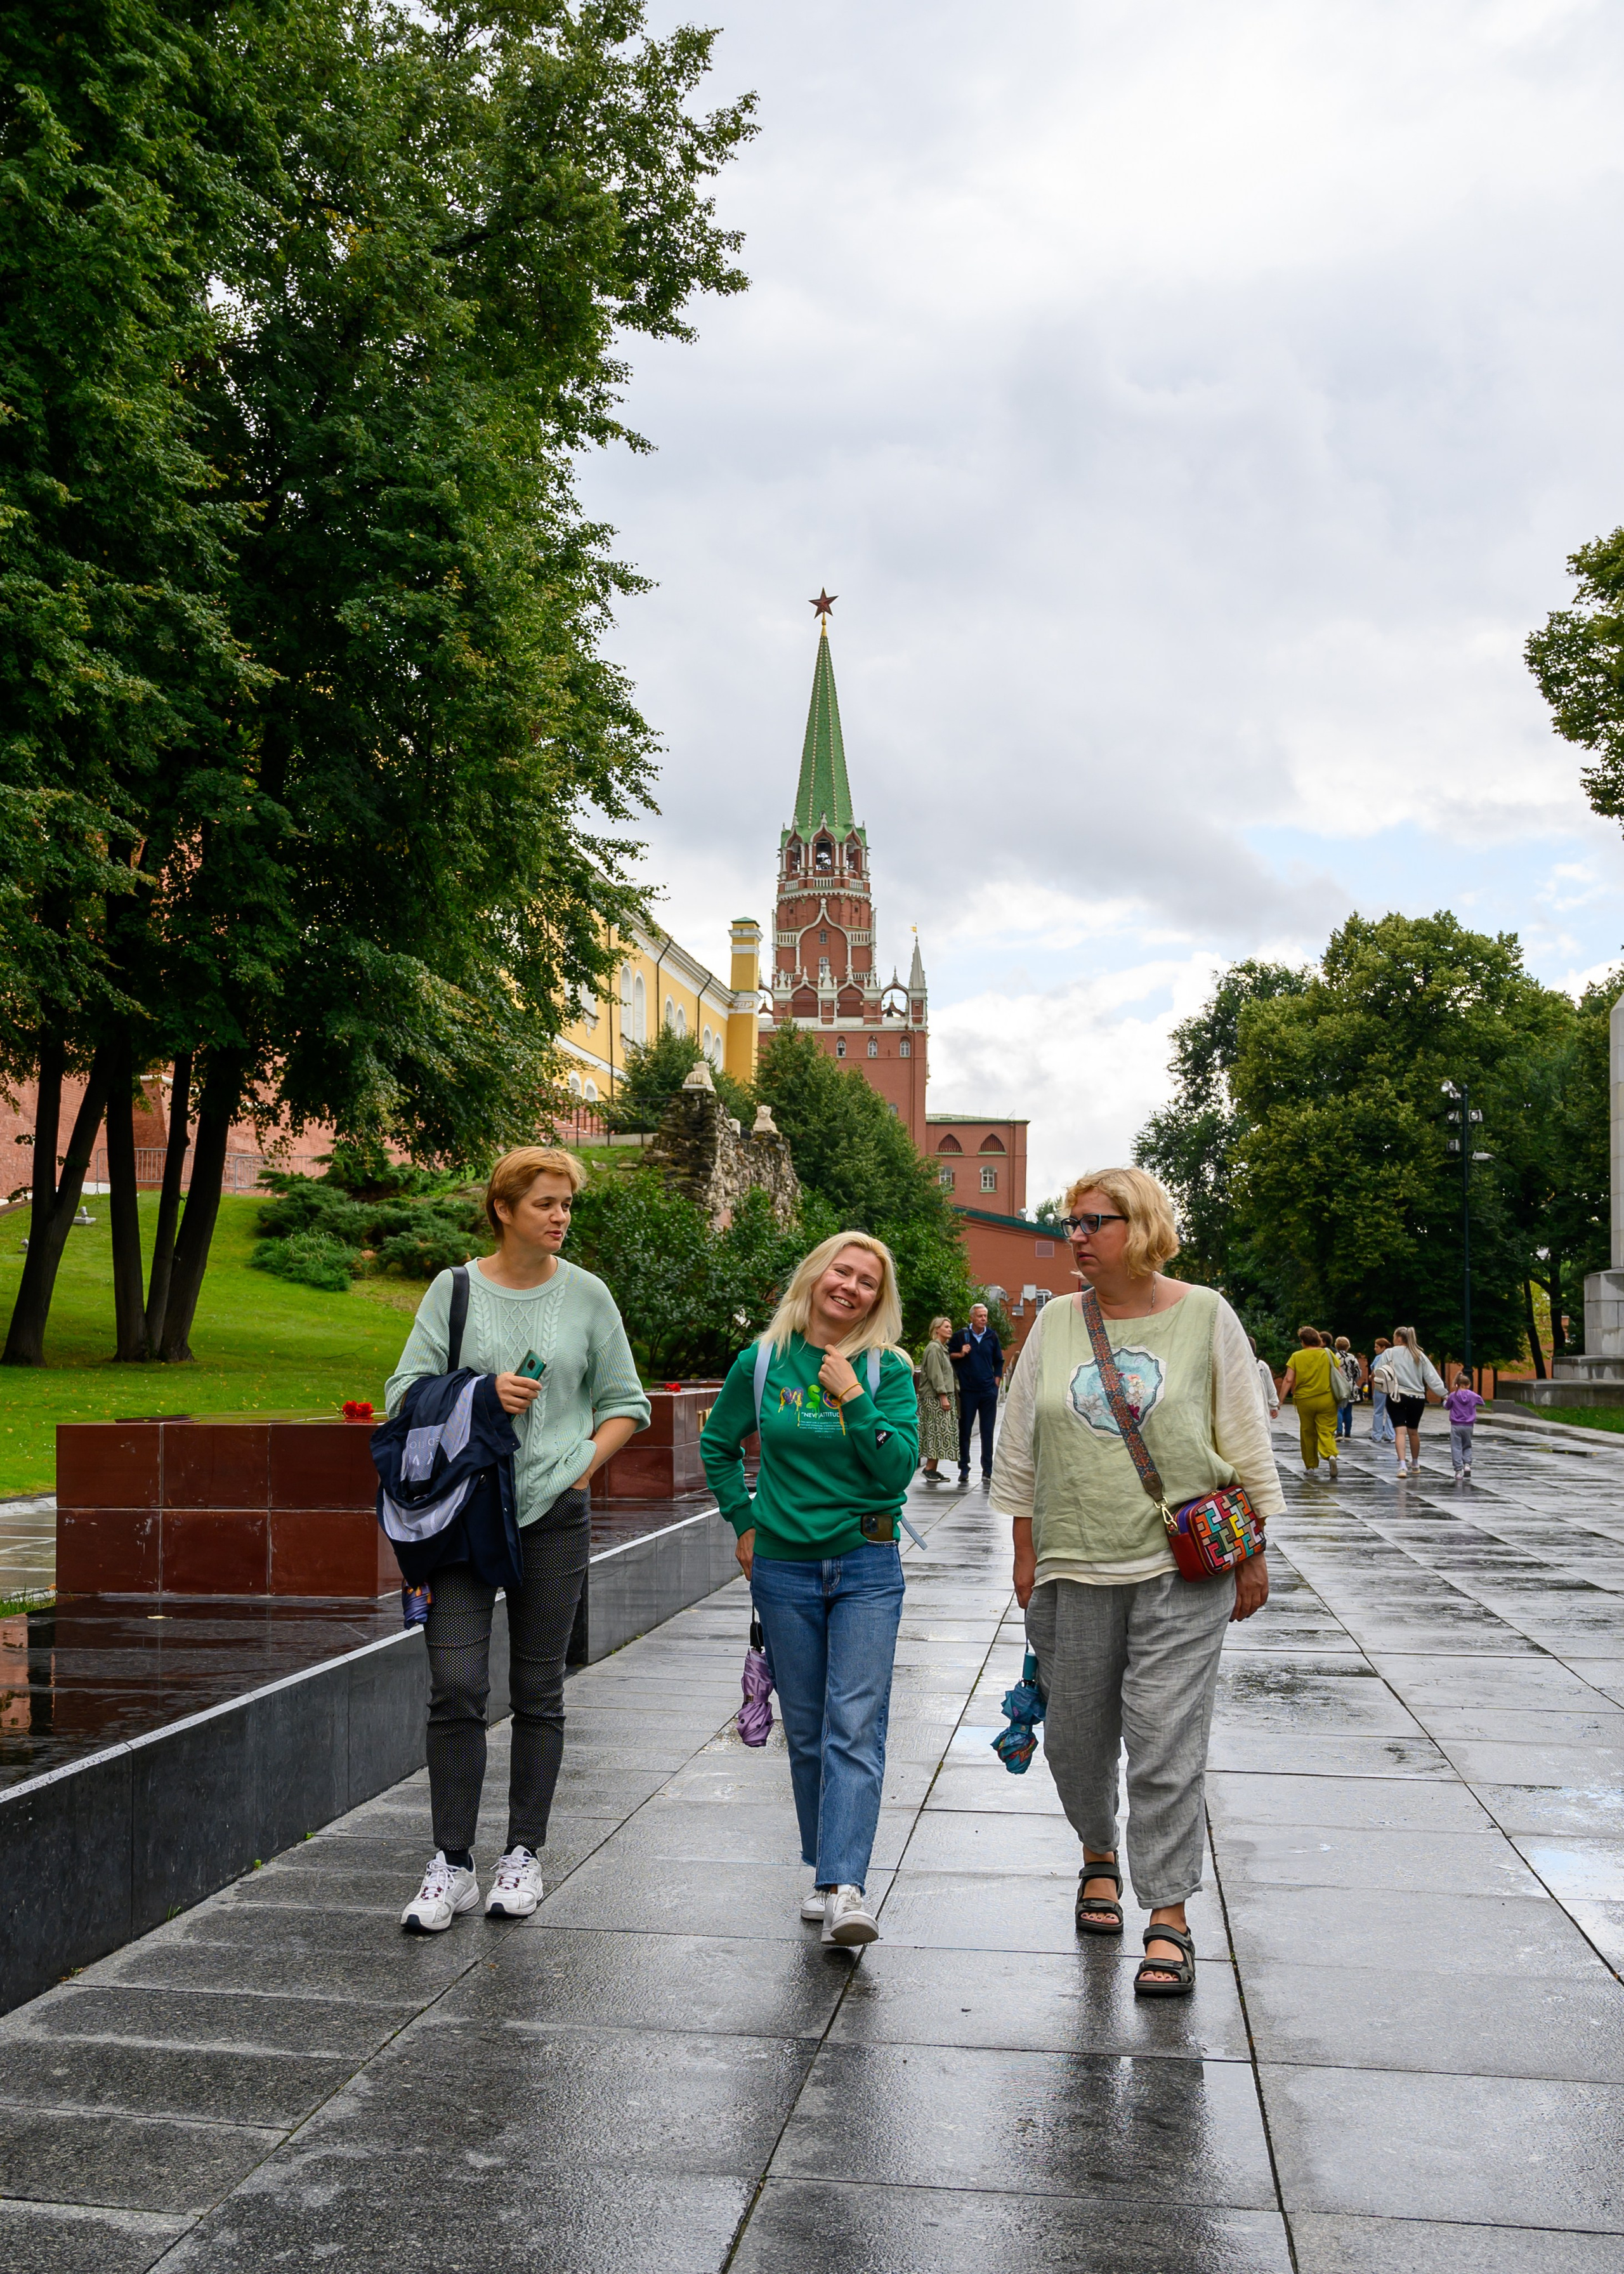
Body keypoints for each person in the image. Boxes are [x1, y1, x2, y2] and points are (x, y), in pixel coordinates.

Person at [995, 1167, 1281, 1997]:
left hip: (1179, 1570)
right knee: (1077, 1741)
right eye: (1069, 1222)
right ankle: (1097, 1855)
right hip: (1073, 1563)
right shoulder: (1054, 1323)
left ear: (1143, 1225)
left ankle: (1169, 1914)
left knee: (1164, 1741)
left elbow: (1245, 1440)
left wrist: (1251, 1548)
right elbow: (1020, 1448)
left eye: (1095, 1221)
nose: (1075, 1235)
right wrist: (1025, 1550)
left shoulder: (1205, 1316)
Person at [386, 1147, 650, 1933]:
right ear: (504, 1208)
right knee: (458, 1685)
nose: (562, 1215)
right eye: (546, 1202)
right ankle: (452, 1864)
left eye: (568, 1202)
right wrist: (479, 1391)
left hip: (552, 1513)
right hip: (465, 1514)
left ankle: (523, 1854)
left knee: (539, 1690)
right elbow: (402, 1393)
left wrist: (581, 1468)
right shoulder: (454, 1288)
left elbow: (626, 1401)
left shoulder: (589, 1295)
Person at [701, 1232, 919, 1947]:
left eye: (867, 1281)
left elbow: (894, 1474)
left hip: (866, 1564)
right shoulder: (760, 1362)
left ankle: (845, 1885)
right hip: (784, 1569)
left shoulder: (886, 1369)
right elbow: (718, 1445)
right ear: (817, 1273)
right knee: (807, 1727)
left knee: (854, 1722)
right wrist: (744, 1519)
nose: (850, 1286)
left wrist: (854, 1396)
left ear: (877, 1301)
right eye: (842, 1270)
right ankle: (827, 1870)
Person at [1380, 1324, 1447, 1478]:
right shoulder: (1419, 1355)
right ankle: (1415, 1463)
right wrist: (1444, 1394)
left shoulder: (1389, 1353)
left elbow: (1380, 1372)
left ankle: (1402, 1466)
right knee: (1413, 1432)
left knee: (1400, 1432)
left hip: (1396, 1395)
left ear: (1398, 1338)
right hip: (1417, 1398)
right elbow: (1432, 1377)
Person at [950, 1300, 1004, 1482]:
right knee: (965, 1430)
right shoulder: (961, 1336)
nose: (983, 1319)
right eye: (980, 1316)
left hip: (988, 1390)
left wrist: (996, 1383)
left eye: (985, 1316)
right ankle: (964, 1467)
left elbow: (999, 1361)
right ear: (971, 1317)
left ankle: (987, 1469)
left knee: (987, 1431)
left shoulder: (992, 1337)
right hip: (968, 1391)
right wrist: (961, 1353)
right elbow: (949, 1356)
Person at [1280, 1326, 1340, 1479]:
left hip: (1305, 1400)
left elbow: (1288, 1379)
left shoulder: (1296, 1356)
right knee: (1326, 1430)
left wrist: (1280, 1401)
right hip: (1327, 1399)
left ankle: (1311, 1466)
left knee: (1307, 1432)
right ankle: (1330, 1455)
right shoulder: (1328, 1354)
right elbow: (1339, 1374)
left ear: (1303, 1342)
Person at [916, 1315, 958, 1478]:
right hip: (935, 1398)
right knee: (936, 1432)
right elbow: (936, 1374)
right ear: (937, 1329)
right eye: (946, 1326)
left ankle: (932, 1469)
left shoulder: (942, 1348)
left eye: (950, 1327)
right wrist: (943, 1396)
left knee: (941, 1433)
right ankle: (928, 1469)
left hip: (941, 1397)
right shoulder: (934, 1348)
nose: (950, 1329)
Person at [1446, 1368, 1486, 1480]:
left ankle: (1458, 1471)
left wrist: (1446, 1401)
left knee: (1456, 1447)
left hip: (1456, 1425)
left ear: (1457, 1384)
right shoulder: (1473, 1396)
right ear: (1468, 1385)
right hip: (1469, 1425)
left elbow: (1446, 1406)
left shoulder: (1453, 1396)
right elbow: (1482, 1402)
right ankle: (1467, 1465)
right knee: (1467, 1445)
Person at [1332, 1337, 1361, 1440]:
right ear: (1348, 1346)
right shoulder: (1352, 1357)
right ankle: (1348, 1433)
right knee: (1349, 1410)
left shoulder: (1334, 1357)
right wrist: (1353, 1380)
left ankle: (1339, 1432)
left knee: (1339, 1409)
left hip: (1338, 1386)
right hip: (1350, 1385)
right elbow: (1358, 1372)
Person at [1370, 1336, 1396, 1445]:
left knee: (1378, 1411)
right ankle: (1391, 1435)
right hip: (1392, 1387)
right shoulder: (1394, 1357)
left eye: (1377, 1347)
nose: (1375, 1349)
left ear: (1383, 1348)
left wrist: (1372, 1377)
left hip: (1380, 1387)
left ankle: (1377, 1435)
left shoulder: (1379, 1358)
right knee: (1391, 1411)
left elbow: (1375, 1372)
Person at [1252, 1339, 1279, 1422]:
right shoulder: (1262, 1366)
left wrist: (1274, 1405)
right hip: (1259, 1405)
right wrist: (1274, 1406)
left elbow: (1270, 1386)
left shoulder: (1261, 1367)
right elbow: (1270, 1386)